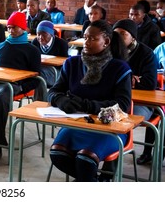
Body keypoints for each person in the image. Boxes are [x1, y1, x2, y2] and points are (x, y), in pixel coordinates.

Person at [48, 20, 132, 182]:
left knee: (85, 160)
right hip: (78, 123)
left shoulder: (119, 68)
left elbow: (122, 105)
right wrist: (61, 101)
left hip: (109, 127)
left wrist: (86, 105)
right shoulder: (72, 63)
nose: (86, 42)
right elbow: (53, 91)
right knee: (57, 154)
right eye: (85, 37)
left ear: (106, 42)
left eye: (92, 38)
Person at [0, 11, 41, 166]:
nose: (11, 30)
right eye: (9, 27)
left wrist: (22, 86)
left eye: (15, 27)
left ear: (23, 28)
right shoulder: (0, 46)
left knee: (3, 95)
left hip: (12, 85)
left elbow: (36, 78)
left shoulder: (32, 50)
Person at [112, 19, 158, 167]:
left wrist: (123, 79)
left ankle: (110, 169)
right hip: (116, 99)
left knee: (122, 123)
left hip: (141, 102)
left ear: (133, 37)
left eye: (123, 34)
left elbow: (150, 83)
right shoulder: (110, 51)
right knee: (98, 120)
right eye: (116, 34)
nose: (118, 38)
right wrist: (131, 79)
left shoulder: (146, 53)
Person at [31, 20, 68, 87]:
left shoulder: (61, 44)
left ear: (51, 34)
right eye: (38, 34)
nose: (40, 37)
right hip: (40, 68)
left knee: (38, 76)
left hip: (55, 71)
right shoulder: (35, 42)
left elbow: (63, 64)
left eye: (44, 34)